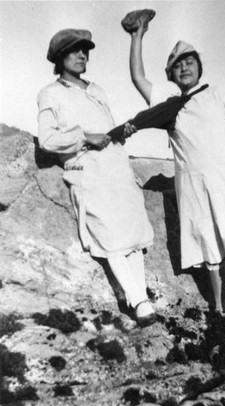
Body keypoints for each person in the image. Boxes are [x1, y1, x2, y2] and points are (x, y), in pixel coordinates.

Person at [127, 21, 225, 334]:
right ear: (170, 75)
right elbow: (139, 78)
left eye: (190, 61)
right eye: (177, 65)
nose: (184, 67)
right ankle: (219, 310)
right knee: (209, 248)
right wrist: (137, 37)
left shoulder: (218, 94)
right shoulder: (170, 107)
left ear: (200, 67)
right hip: (193, 185)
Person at [37, 28, 156, 327]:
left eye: (84, 51)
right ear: (59, 58)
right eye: (73, 51)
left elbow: (107, 131)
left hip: (115, 166)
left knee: (133, 233)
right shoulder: (50, 93)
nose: (81, 56)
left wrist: (120, 134)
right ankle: (138, 300)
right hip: (86, 168)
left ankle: (140, 296)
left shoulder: (97, 89)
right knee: (110, 234)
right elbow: (47, 140)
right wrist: (85, 137)